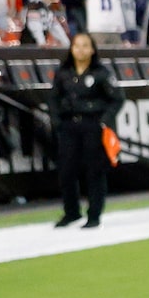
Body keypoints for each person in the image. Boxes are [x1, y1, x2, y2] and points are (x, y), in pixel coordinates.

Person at [50, 30, 120, 228]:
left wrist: (104, 120)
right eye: (76, 46)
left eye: (84, 46)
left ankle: (94, 214)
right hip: (69, 125)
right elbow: (53, 98)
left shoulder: (101, 73)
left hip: (92, 125)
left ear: (92, 50)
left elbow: (116, 98)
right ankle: (71, 212)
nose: (80, 50)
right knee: (66, 170)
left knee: (94, 171)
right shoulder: (63, 73)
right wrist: (56, 120)